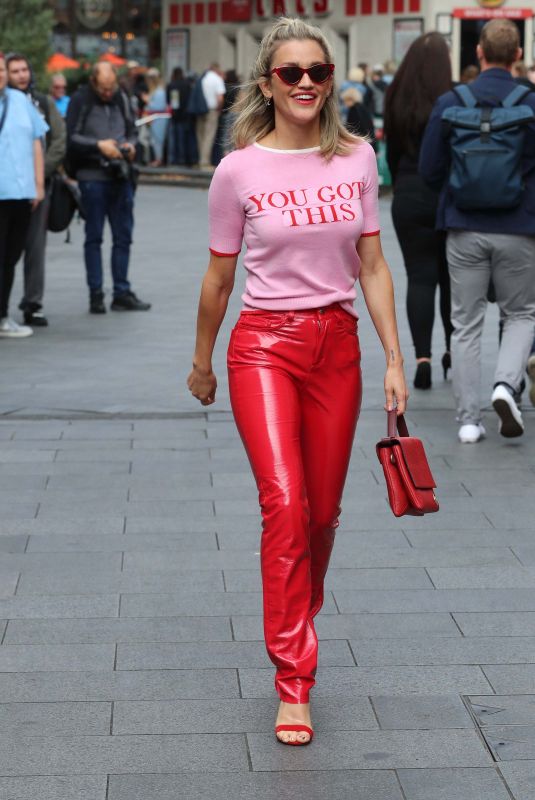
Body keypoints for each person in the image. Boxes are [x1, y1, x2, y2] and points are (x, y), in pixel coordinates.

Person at [187, 17, 408, 746]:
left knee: (320, 515)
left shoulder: (355, 159)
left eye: (317, 69)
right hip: (263, 350)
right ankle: (293, 679)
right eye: (291, 72)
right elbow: (219, 278)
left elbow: (373, 266)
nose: (307, 82)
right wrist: (201, 360)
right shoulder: (239, 169)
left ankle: (294, 615)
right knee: (283, 503)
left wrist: (394, 358)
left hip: (336, 348)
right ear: (267, 83)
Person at [420, 19, 535, 443]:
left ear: (479, 54)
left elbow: (430, 169)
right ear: (518, 55)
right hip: (520, 227)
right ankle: (506, 384)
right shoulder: (531, 101)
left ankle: (469, 421)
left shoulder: (452, 100)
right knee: (521, 314)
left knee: (465, 324)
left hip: (464, 226)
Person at [383, 33, 453, 389]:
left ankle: (422, 356)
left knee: (419, 276)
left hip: (408, 192)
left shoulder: (395, 96)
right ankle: (452, 350)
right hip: (445, 193)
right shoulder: (451, 97)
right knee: (450, 276)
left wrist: (401, 184)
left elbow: (392, 153)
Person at [66, 62, 150, 314]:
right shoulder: (81, 99)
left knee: (123, 236)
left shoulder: (121, 97)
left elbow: (132, 129)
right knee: (94, 237)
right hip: (92, 176)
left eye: (110, 87)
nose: (107, 92)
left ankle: (121, 292)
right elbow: (72, 137)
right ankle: (96, 294)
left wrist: (131, 145)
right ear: (93, 82)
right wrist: (98, 145)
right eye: (103, 88)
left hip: (121, 174)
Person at [7, 53, 66, 328]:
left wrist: (40, 176)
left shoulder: (42, 102)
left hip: (39, 187)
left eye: (24, 69)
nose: (21, 75)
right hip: (8, 188)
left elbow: (58, 139)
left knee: (35, 247)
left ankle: (33, 303)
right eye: (14, 70)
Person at [0, 52, 47, 338]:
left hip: (21, 192)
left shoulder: (20, 101)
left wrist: (38, 185)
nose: (2, 75)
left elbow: (36, 143)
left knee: (10, 257)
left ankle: (3, 316)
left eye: (2, 69)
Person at [196, 62, 225, 169]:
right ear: (217, 69)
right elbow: (220, 98)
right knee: (209, 136)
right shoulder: (217, 80)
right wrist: (219, 109)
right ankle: (204, 162)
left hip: (200, 110)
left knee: (201, 136)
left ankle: (200, 159)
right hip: (212, 110)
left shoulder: (202, 79)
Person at [166, 66, 193, 165]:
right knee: (183, 139)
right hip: (185, 115)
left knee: (173, 138)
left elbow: (172, 102)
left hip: (175, 115)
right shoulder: (187, 85)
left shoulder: (172, 85)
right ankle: (182, 159)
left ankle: (173, 159)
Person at [143, 67, 168, 167]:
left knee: (158, 139)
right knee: (155, 139)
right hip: (155, 118)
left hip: (158, 119)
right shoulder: (158, 91)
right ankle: (157, 158)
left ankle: (158, 159)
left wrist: (148, 101)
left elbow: (160, 107)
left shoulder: (159, 92)